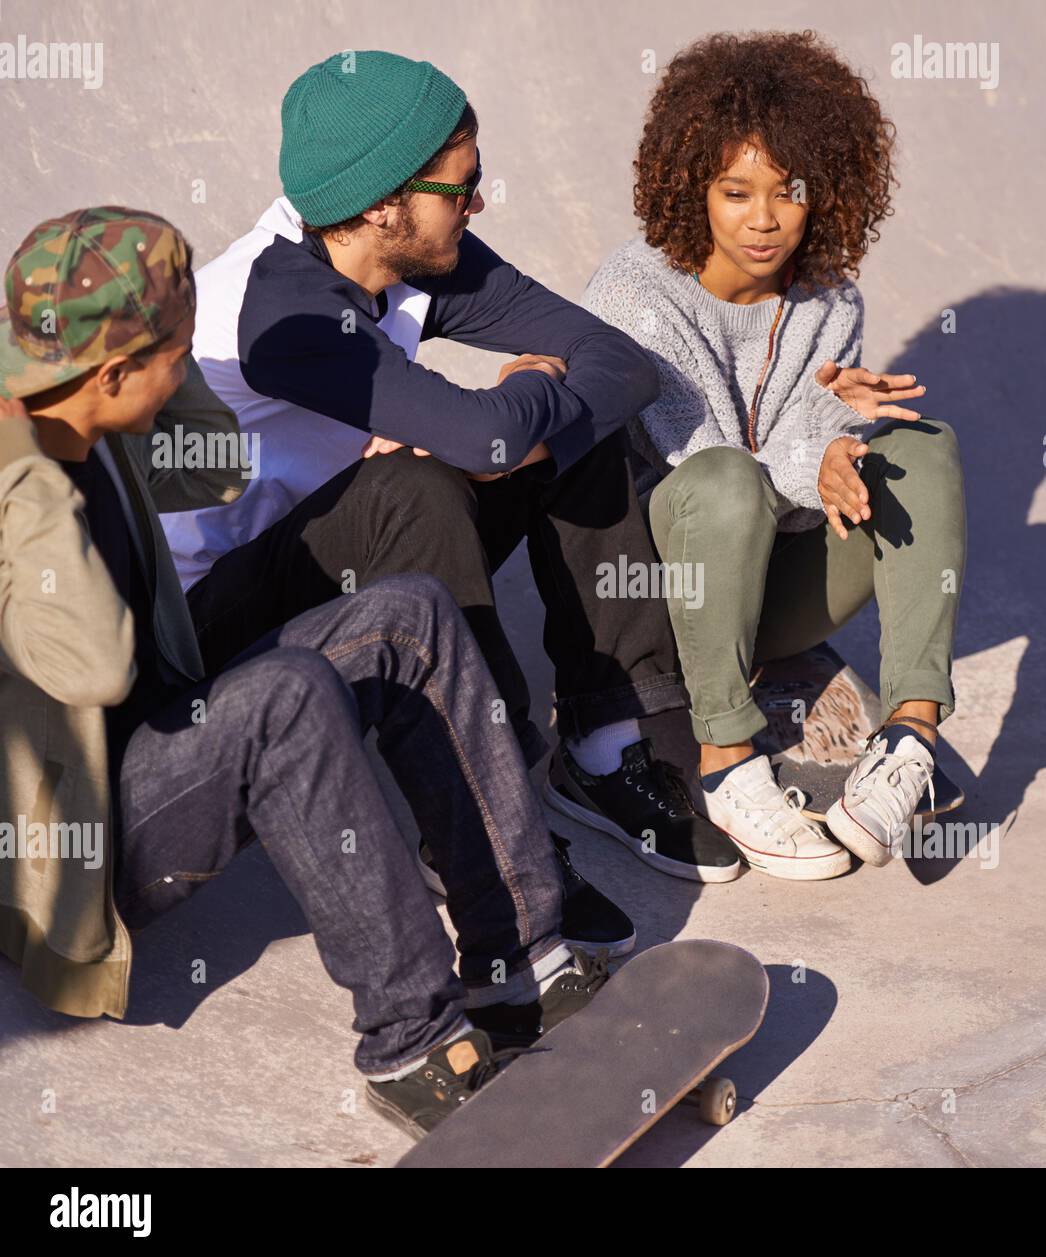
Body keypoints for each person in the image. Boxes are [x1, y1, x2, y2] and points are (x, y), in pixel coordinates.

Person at [0, 207, 615, 1139]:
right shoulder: (23, 487)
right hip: (79, 839)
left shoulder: (98, 419)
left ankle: (519, 959)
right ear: (114, 372)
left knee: (408, 612)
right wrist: (40, 490)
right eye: (174, 354)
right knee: (285, 701)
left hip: (159, 727)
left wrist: (140, 401)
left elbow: (211, 475)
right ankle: (411, 1038)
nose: (193, 367)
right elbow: (94, 664)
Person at [166, 50, 739, 884]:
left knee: (579, 432)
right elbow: (480, 440)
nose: (478, 200)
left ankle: (605, 745)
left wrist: (518, 421)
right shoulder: (277, 310)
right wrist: (507, 413)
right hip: (210, 633)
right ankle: (482, 829)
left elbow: (620, 364)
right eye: (460, 186)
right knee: (420, 485)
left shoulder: (415, 254)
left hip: (324, 555)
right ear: (383, 204)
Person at [582, 31, 968, 879]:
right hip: (670, 598)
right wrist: (817, 449)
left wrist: (840, 446)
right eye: (735, 191)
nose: (764, 220)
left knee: (921, 450)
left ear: (823, 191)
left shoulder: (831, 301)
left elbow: (795, 459)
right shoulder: (635, 292)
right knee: (724, 482)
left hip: (771, 594)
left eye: (788, 193)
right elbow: (711, 461)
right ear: (690, 187)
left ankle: (907, 740)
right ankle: (727, 759)